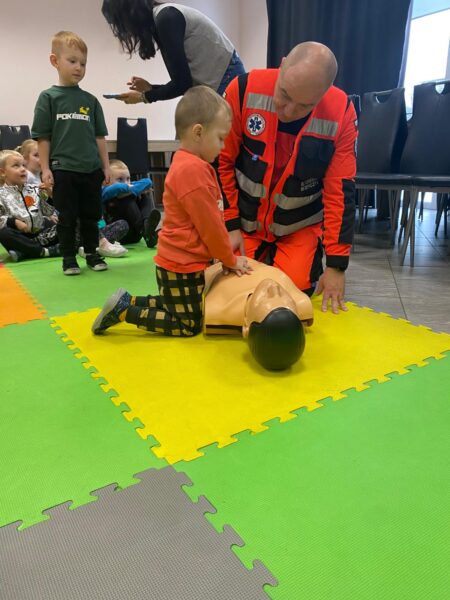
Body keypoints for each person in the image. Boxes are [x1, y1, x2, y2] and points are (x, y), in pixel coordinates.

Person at [92, 85, 251, 337]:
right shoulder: (193, 170)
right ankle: (124, 311)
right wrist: (229, 260)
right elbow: (210, 226)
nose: (223, 146)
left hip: (181, 261)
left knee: (177, 305)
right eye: (220, 138)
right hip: (182, 264)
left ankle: (128, 300)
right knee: (188, 324)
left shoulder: (188, 163)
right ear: (198, 132)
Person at [218, 42, 358, 314]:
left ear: (324, 94)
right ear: (282, 65)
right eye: (284, 94)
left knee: (293, 296)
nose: (289, 111)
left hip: (298, 227)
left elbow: (340, 191)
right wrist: (229, 224)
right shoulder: (242, 89)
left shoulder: (341, 112)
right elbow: (220, 161)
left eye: (305, 105)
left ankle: (280, 259)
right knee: (230, 288)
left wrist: (336, 265)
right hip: (243, 221)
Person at [31, 31, 110, 276]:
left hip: (91, 169)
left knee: (91, 215)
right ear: (55, 61)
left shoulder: (91, 101)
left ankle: (92, 253)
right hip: (63, 169)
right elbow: (43, 137)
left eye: (83, 63)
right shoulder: (48, 98)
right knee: (67, 216)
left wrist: (106, 166)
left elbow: (100, 137)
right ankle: (68, 258)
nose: (79, 67)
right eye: (72, 61)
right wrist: (45, 168)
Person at [101, 0, 245, 104]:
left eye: (121, 24)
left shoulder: (166, 18)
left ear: (129, 15)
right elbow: (182, 83)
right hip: (215, 81)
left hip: (226, 76)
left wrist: (143, 97)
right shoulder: (161, 21)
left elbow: (182, 84)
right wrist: (150, 89)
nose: (125, 30)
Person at [204, 258, 313, 370]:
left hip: (224, 264)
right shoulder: (302, 302)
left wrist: (225, 257)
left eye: (266, 298)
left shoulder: (220, 308)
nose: (274, 287)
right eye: (282, 295)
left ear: (247, 326)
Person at [0, 150, 60, 262]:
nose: (23, 169)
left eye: (23, 165)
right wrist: (13, 222)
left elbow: (48, 212)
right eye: (16, 166)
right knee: (3, 233)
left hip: (41, 234)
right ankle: (45, 251)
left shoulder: (34, 189)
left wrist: (49, 196)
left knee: (68, 224)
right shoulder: (1, 195)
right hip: (19, 237)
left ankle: (25, 252)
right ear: (3, 172)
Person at [102, 159, 161, 247]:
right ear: (106, 181)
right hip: (120, 233)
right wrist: (136, 189)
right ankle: (145, 232)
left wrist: (134, 189)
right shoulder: (104, 191)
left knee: (145, 197)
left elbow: (148, 182)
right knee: (127, 198)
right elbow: (117, 188)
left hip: (136, 234)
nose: (126, 183)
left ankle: (146, 228)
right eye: (120, 179)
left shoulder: (128, 185)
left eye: (128, 179)